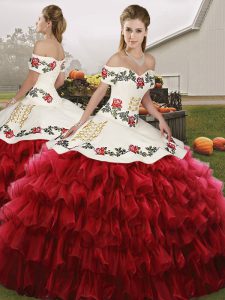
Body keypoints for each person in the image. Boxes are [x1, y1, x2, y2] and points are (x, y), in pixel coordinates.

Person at [0, 4, 225, 300]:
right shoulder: (115, 58)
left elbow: (144, 97)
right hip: (108, 123)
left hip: (136, 125)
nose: (132, 35)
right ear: (122, 30)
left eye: (138, 30)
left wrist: (159, 120)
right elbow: (99, 93)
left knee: (164, 178)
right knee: (92, 184)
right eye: (128, 29)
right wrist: (82, 122)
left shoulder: (150, 60)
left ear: (146, 32)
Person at [0, 5, 83, 207]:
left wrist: (13, 100)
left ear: (48, 23)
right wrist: (48, 89)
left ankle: (17, 197)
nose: (36, 22)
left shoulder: (40, 44)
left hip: (36, 99)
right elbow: (60, 81)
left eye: (39, 19)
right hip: (53, 100)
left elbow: (31, 79)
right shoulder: (60, 48)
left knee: (14, 138)